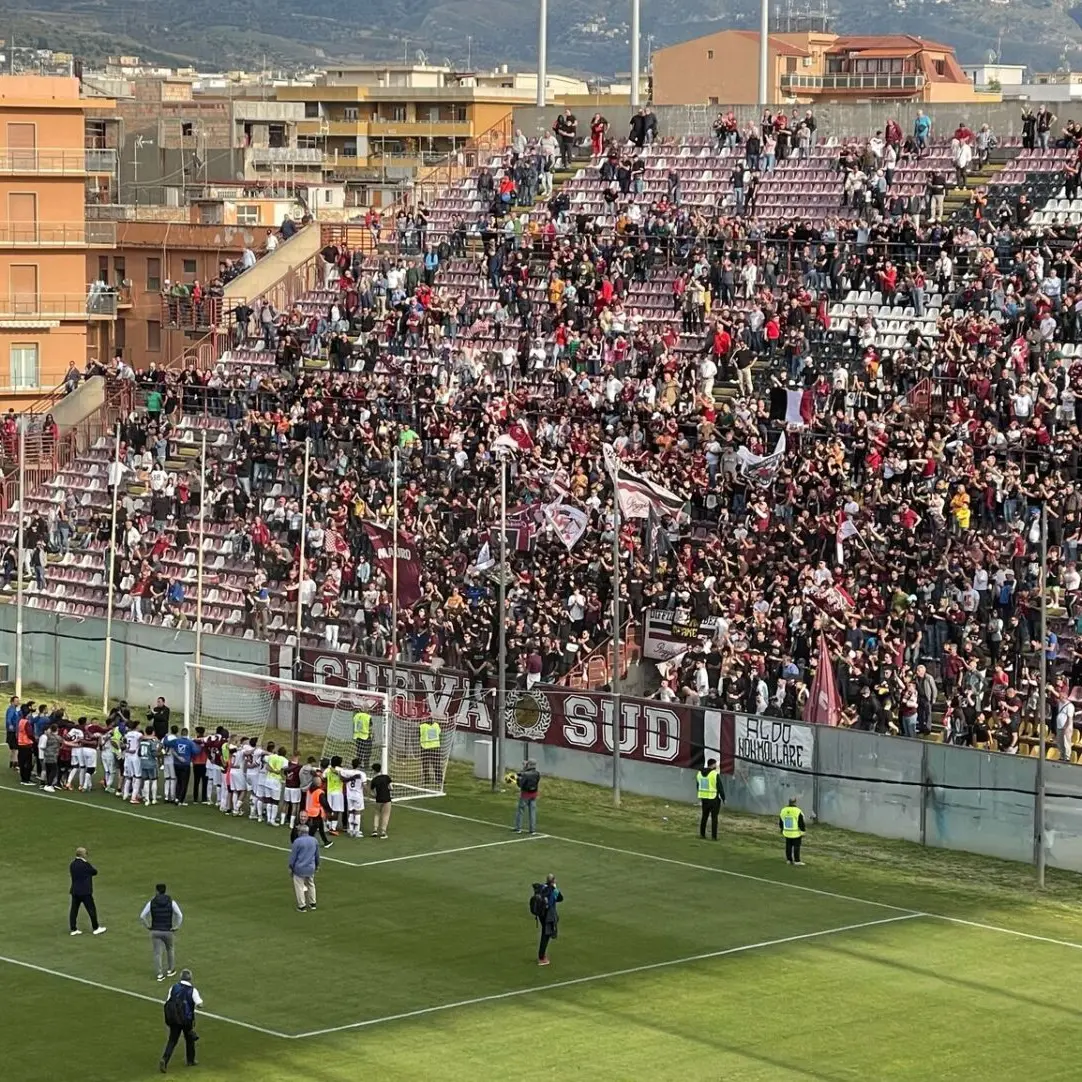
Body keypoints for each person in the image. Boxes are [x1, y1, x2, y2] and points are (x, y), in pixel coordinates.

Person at [140, 883, 184, 981]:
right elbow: (180, 915)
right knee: (170, 949)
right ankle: (170, 970)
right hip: (168, 930)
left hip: (155, 930)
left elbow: (142, 916)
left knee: (157, 953)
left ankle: (159, 974)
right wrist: (176, 926)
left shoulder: (151, 902)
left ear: (156, 891)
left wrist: (148, 926)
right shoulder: (171, 902)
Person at [160, 968, 202, 1072]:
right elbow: (199, 1003)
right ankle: (190, 1060)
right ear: (190, 978)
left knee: (172, 1040)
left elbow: (168, 1000)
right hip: (186, 1020)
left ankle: (164, 1060)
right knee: (189, 1039)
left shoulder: (174, 987)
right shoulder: (192, 990)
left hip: (174, 1018)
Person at [69, 846, 107, 936]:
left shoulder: (72, 864)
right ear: (82, 854)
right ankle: (96, 927)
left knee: (74, 910)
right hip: (85, 892)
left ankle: (73, 929)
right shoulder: (85, 865)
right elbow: (94, 872)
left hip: (75, 891)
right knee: (91, 910)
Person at [288, 820, 321, 912]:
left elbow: (293, 857)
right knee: (311, 884)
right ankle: (313, 903)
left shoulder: (297, 842)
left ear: (300, 832)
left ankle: (302, 906)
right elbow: (317, 855)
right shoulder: (314, 840)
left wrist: (291, 867)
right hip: (311, 867)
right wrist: (317, 865)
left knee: (299, 886)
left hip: (299, 868)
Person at [534, 873, 563, 966]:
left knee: (545, 933)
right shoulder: (553, 890)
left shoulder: (542, 887)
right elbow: (560, 898)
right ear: (553, 881)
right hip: (548, 915)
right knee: (546, 935)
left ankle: (542, 956)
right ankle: (541, 957)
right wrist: (555, 888)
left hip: (541, 914)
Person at [696, 757, 725, 840]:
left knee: (704, 816)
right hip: (713, 798)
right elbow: (720, 787)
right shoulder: (714, 774)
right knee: (714, 818)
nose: (716, 766)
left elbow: (698, 786)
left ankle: (702, 834)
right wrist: (723, 798)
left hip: (704, 798)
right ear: (712, 765)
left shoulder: (699, 773)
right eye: (715, 764)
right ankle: (714, 836)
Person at [513, 758, 540, 834]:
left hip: (525, 794)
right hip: (534, 794)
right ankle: (532, 830)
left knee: (520, 810)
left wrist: (518, 779)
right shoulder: (537, 773)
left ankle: (518, 828)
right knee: (532, 812)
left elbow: (520, 785)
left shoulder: (525, 774)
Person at [779, 796, 807, 865]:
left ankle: (789, 860)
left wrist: (782, 829)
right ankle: (797, 861)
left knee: (788, 846)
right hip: (796, 832)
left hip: (787, 832)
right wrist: (803, 831)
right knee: (796, 846)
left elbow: (781, 821)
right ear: (795, 802)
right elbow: (801, 822)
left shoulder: (783, 810)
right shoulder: (797, 811)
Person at [370, 762, 393, 838]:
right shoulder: (386, 777)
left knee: (377, 814)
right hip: (387, 799)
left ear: (374, 771)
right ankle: (383, 831)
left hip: (378, 799)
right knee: (386, 815)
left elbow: (373, 793)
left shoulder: (374, 780)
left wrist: (375, 795)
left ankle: (374, 830)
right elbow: (391, 788)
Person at [418, 717, 443, 788]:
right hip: (435, 748)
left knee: (426, 764)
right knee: (436, 764)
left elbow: (419, 735)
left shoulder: (422, 726)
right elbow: (439, 732)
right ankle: (439, 779)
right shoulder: (436, 725)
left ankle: (427, 779)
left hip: (425, 747)